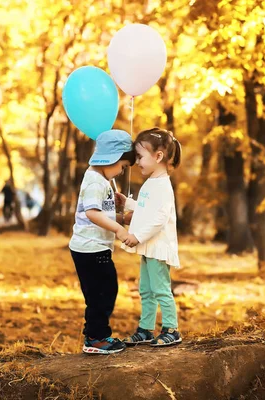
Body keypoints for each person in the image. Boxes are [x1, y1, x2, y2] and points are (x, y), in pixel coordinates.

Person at [69, 129, 135, 354]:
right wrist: (119, 229)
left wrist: (122, 218)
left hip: (92, 248)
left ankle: (95, 334)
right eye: (123, 166)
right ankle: (96, 338)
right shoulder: (96, 182)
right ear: (113, 158)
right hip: (90, 249)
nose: (121, 171)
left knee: (102, 292)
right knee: (103, 293)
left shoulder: (101, 180)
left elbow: (101, 215)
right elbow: (92, 214)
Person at [116, 128, 182, 347]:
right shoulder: (152, 182)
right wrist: (127, 202)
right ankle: (146, 329)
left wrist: (137, 235)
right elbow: (146, 211)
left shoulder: (163, 185)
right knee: (146, 289)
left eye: (141, 157)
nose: (137, 162)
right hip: (148, 247)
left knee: (161, 289)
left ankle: (172, 329)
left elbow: (159, 218)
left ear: (158, 156)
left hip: (157, 246)